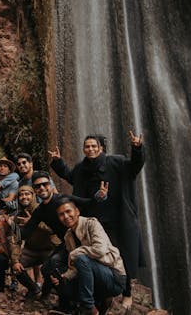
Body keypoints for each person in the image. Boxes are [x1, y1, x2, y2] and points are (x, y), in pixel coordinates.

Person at [49, 131, 144, 309]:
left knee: (121, 256)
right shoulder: (81, 168)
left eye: (94, 146)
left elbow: (134, 168)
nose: (90, 149)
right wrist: (58, 162)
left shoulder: (116, 162)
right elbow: (70, 176)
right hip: (94, 221)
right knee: (96, 258)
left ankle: (127, 294)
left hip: (117, 220)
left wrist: (137, 148)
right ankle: (100, 296)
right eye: (87, 146)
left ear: (101, 148)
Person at [20, 171, 103, 302]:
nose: (42, 188)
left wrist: (99, 196)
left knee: (55, 265)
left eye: (44, 184)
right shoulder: (40, 211)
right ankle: (47, 295)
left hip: (82, 241)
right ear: (34, 190)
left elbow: (87, 203)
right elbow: (26, 231)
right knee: (47, 268)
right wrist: (10, 225)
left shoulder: (63, 199)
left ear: (50, 184)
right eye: (37, 186)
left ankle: (75, 300)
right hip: (65, 243)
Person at [51, 198, 126, 315]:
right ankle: (93, 305)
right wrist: (64, 277)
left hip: (114, 277)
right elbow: (76, 267)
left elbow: (100, 250)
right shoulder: (68, 236)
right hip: (95, 279)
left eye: (68, 211)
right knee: (64, 285)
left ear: (77, 211)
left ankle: (88, 308)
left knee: (81, 258)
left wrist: (77, 252)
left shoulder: (91, 223)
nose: (66, 216)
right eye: (61, 214)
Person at [12, 185, 60, 298]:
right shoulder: (17, 218)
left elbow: (53, 229)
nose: (24, 197)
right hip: (31, 250)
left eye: (27, 194)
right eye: (21, 195)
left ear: (33, 196)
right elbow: (16, 239)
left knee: (52, 270)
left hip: (49, 249)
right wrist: (15, 260)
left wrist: (34, 222)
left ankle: (48, 292)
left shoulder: (43, 209)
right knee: (16, 267)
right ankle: (34, 289)